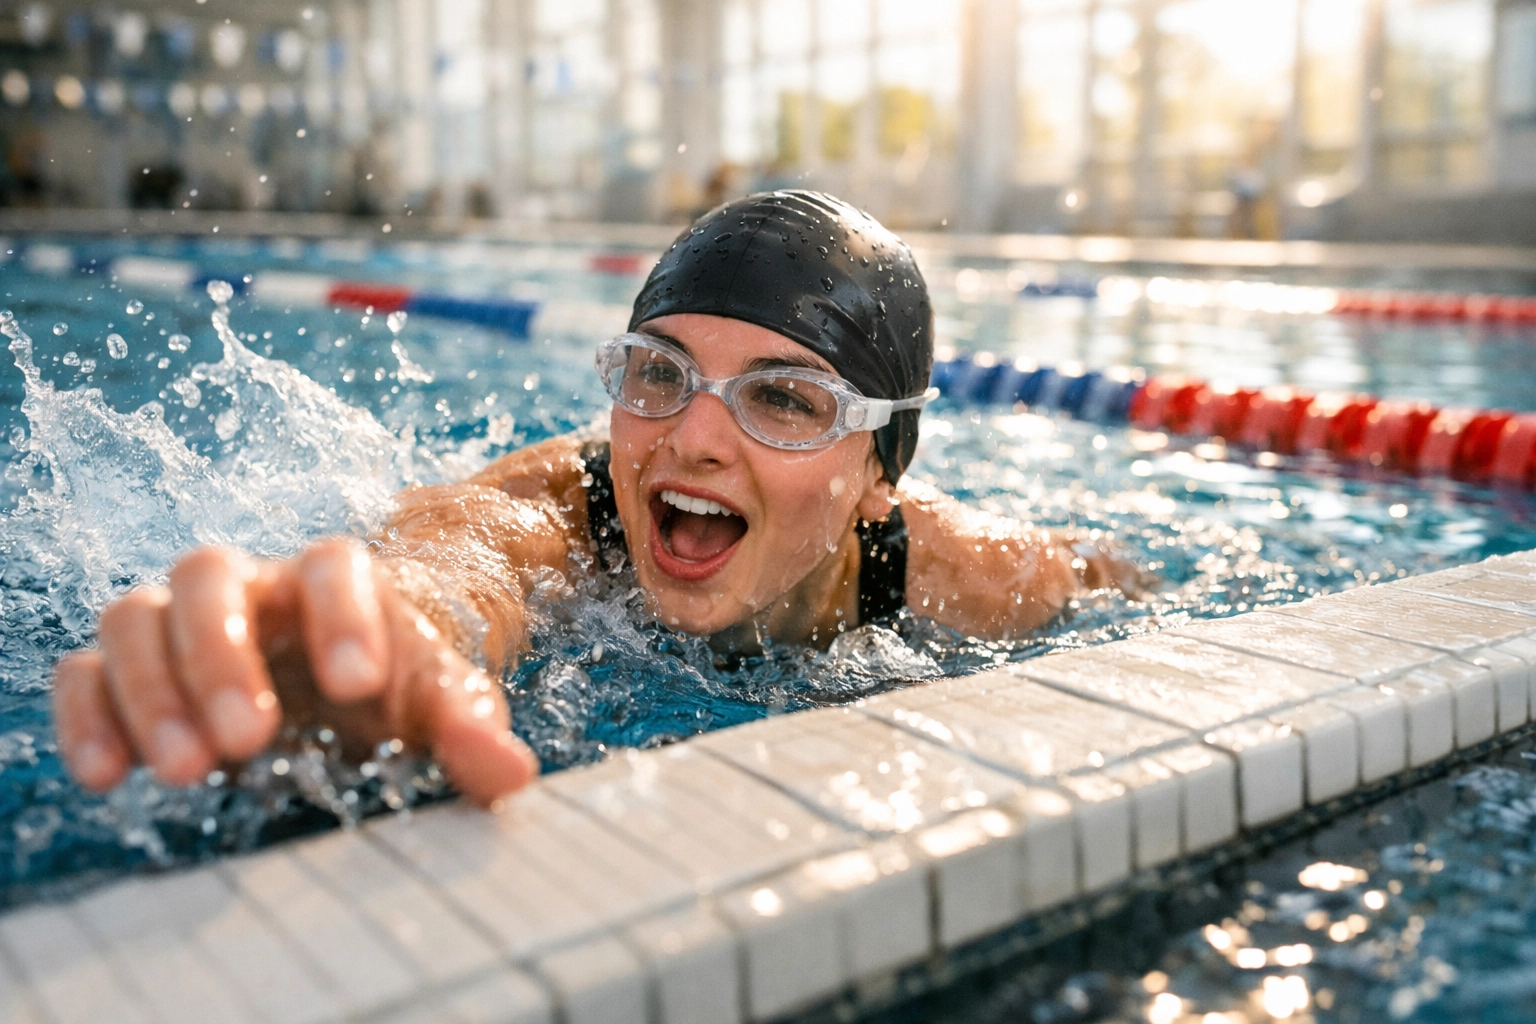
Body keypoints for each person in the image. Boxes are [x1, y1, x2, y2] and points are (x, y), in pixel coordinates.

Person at [50, 191, 1141, 808]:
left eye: (787, 400)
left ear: (875, 477)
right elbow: (455, 562)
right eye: (659, 374)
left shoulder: (966, 575)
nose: (694, 437)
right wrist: (377, 640)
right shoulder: (560, 508)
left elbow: (1120, 581)